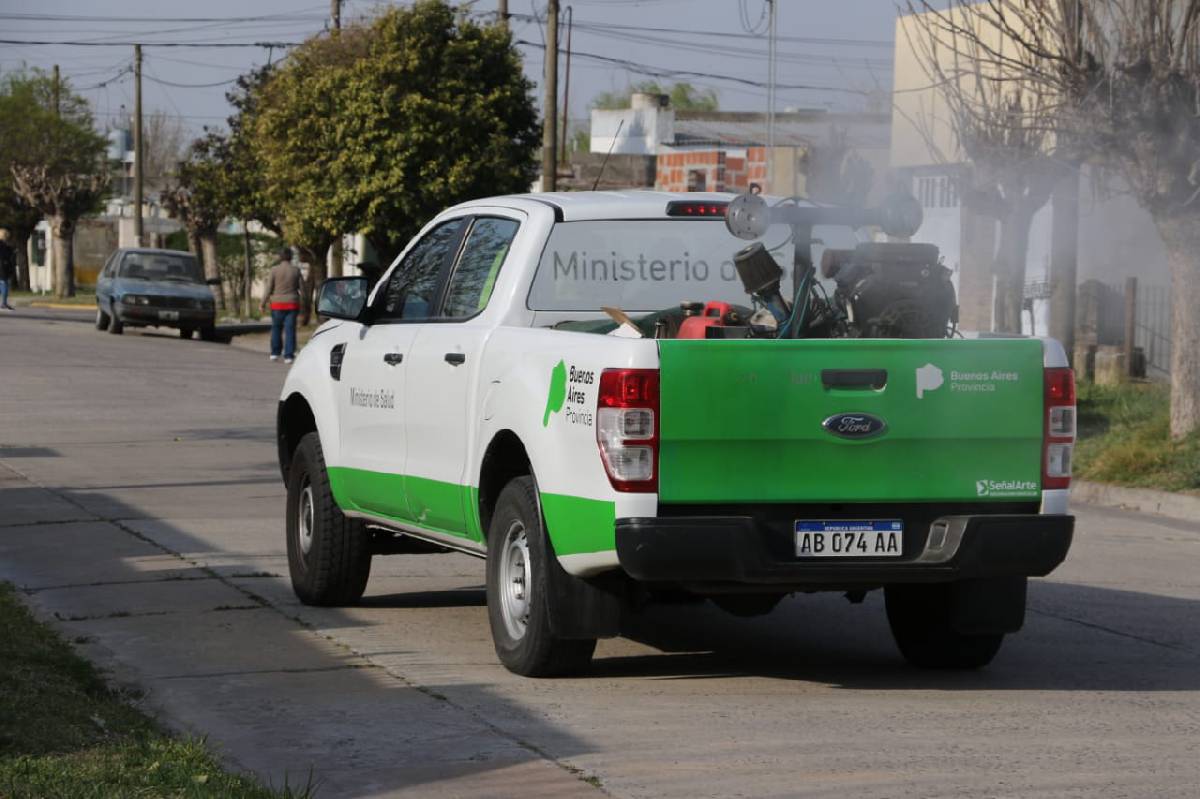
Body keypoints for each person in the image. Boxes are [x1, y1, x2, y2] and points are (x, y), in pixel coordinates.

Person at [260, 247, 304, 363]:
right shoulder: (296, 270)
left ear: (280, 257)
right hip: (292, 304)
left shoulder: (274, 270)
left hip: (277, 304)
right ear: (291, 257)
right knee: (290, 330)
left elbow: (269, 288)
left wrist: (262, 303)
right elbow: (302, 289)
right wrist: (304, 303)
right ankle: (288, 355)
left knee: (276, 328)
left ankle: (275, 353)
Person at [0, 230, 16, 311]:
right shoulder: (2, 245)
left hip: (4, 267)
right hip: (2, 268)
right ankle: (4, 303)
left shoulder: (4, 245)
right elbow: (5, 256)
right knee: (4, 285)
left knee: (3, 285)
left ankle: (4, 303)